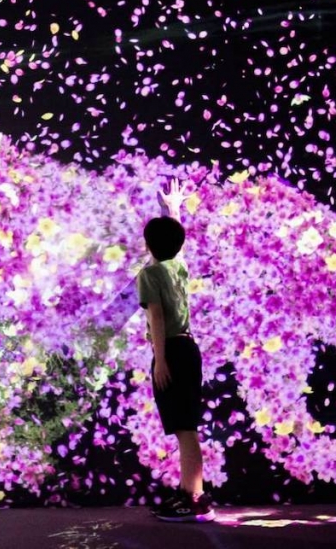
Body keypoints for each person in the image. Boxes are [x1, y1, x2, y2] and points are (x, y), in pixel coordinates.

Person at [138, 178, 215, 522]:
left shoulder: (150, 273)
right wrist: (174, 209)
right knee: (187, 427)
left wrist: (160, 361)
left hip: (172, 351)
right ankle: (188, 493)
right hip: (189, 350)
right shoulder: (177, 267)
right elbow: (177, 246)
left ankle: (195, 499)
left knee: (185, 430)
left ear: (148, 244)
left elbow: (156, 315)